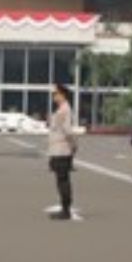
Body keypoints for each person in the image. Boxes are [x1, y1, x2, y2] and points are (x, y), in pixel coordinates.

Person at [47, 83, 78, 220]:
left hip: (62, 149)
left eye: (56, 94)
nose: (54, 96)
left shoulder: (65, 109)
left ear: (62, 95)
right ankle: (64, 208)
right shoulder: (61, 109)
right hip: (57, 148)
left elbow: (67, 130)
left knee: (63, 180)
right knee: (60, 179)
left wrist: (73, 145)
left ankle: (66, 210)